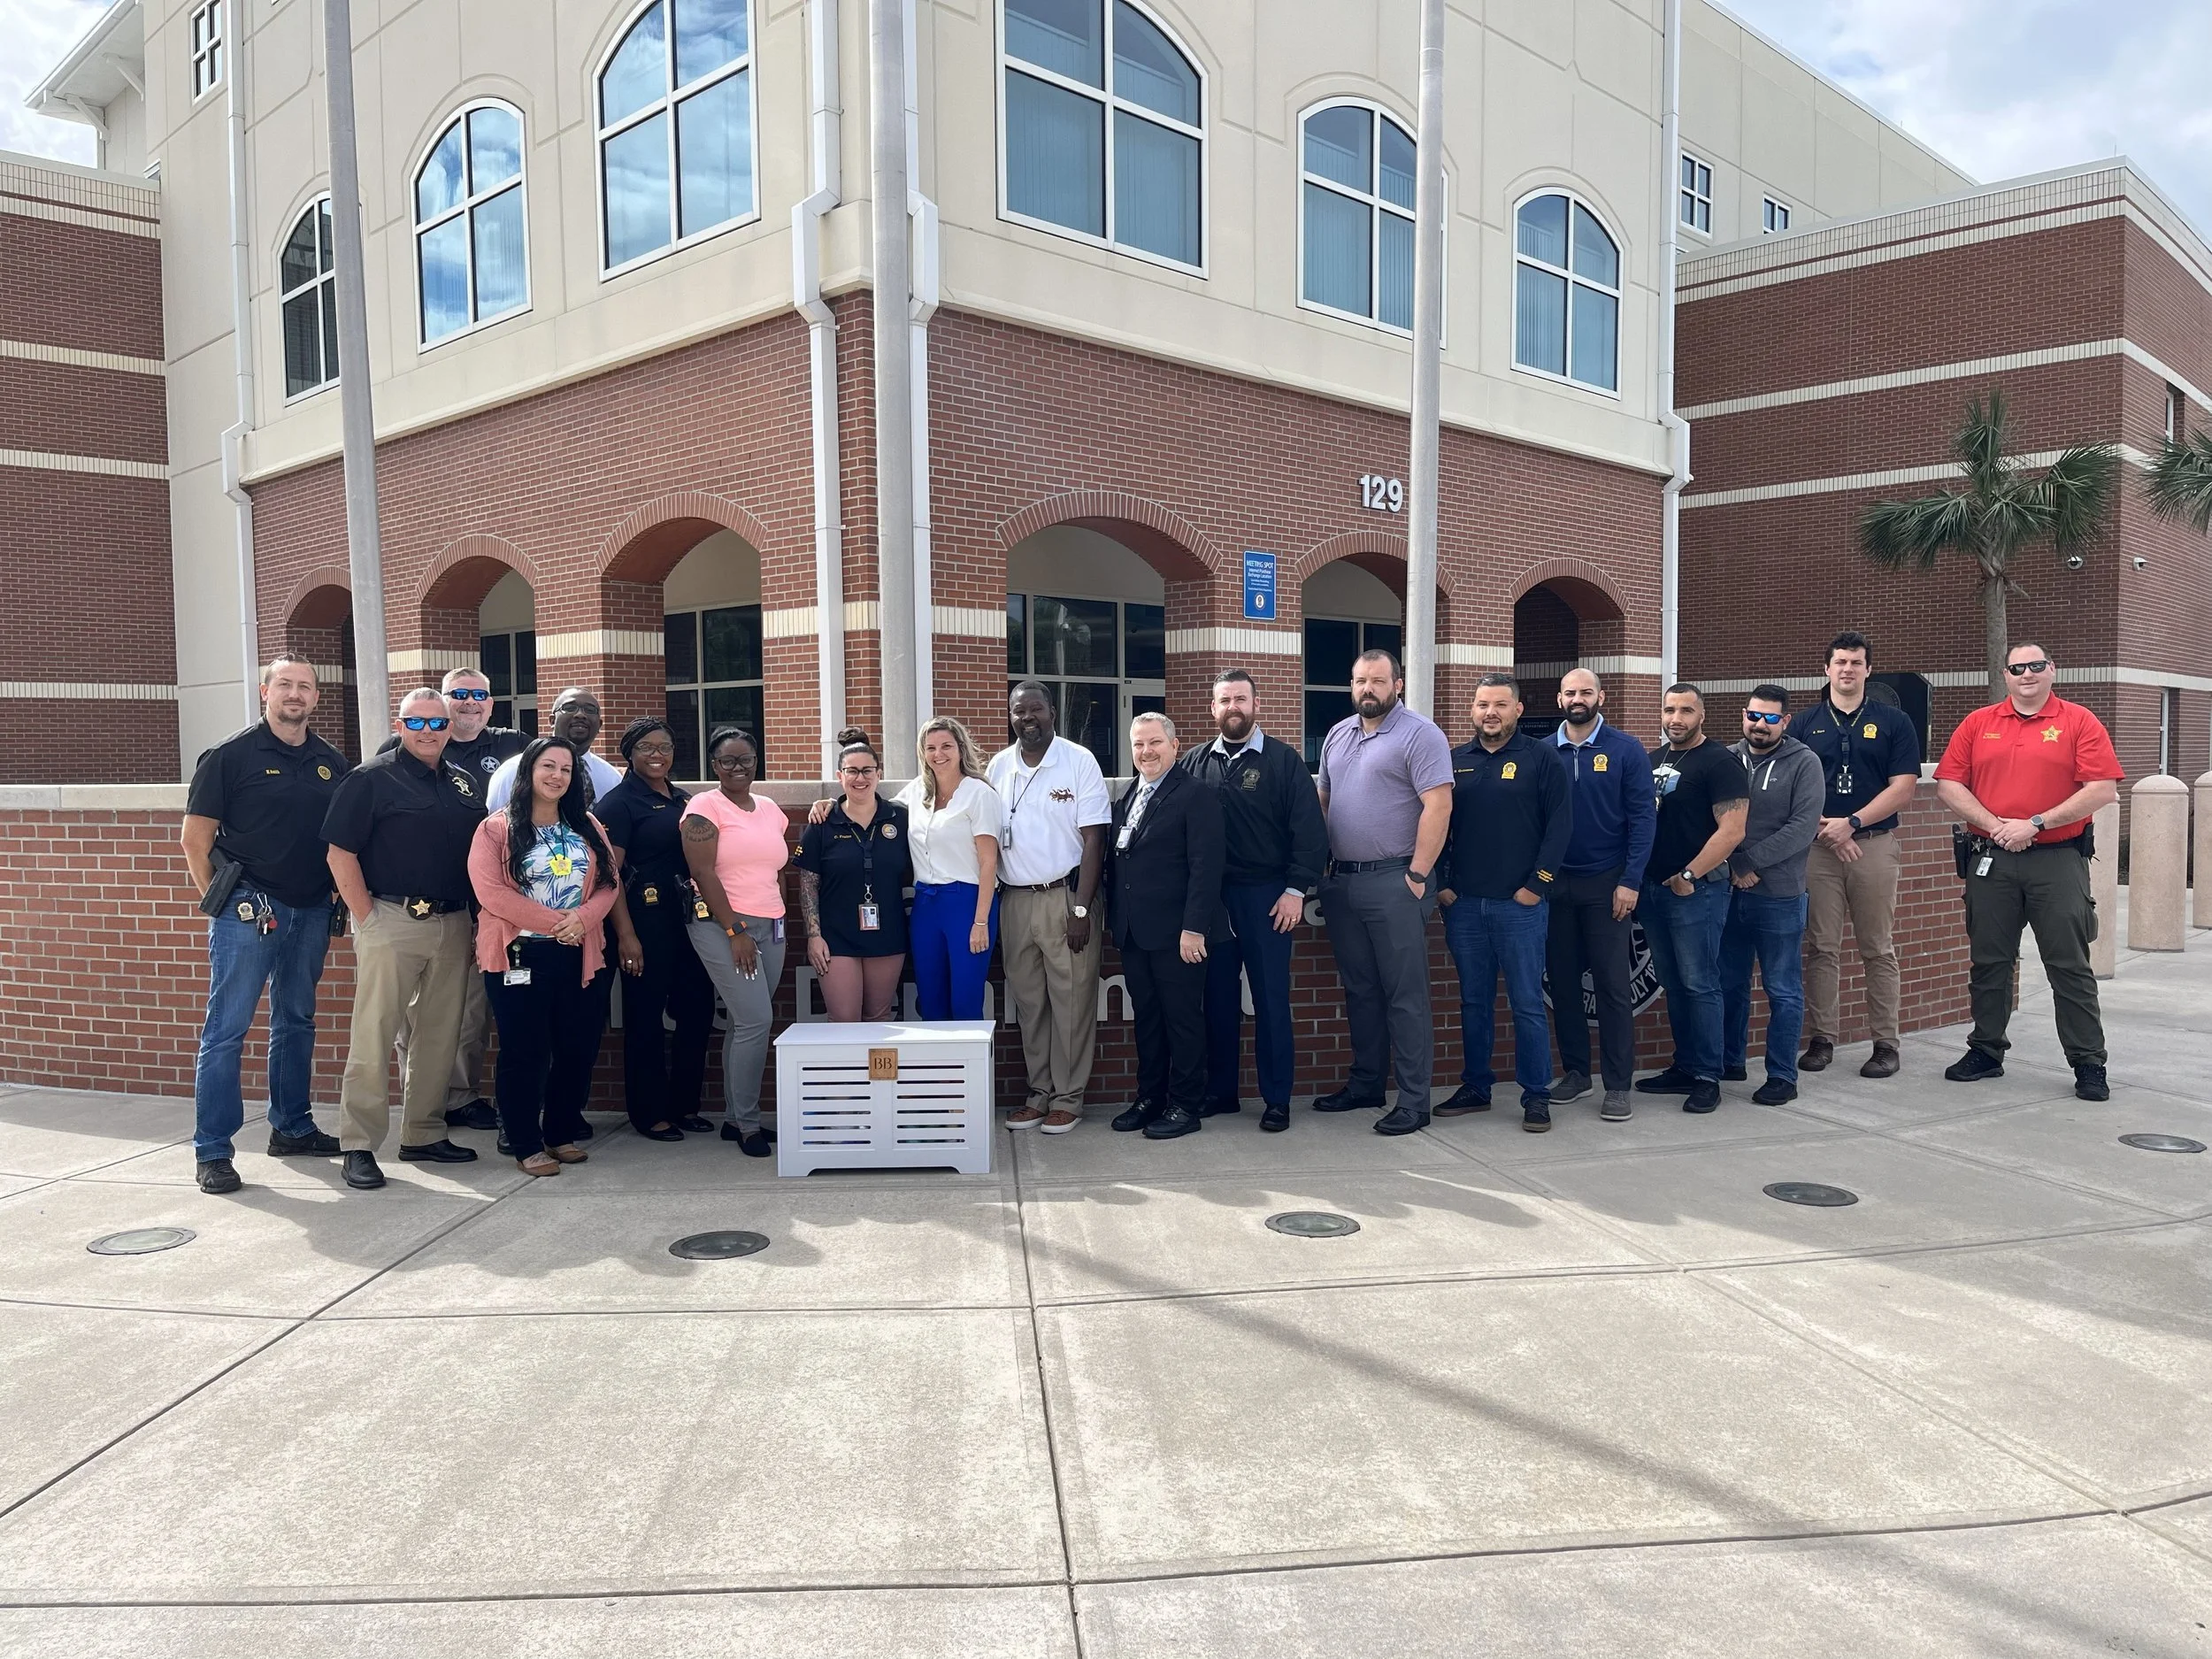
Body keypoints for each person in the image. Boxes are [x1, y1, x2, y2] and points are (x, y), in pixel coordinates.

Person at [180, 657, 351, 1194]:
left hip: (311, 911)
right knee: (227, 1030)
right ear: (265, 692)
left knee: (296, 1021)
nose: (295, 694)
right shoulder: (229, 756)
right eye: (285, 685)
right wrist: (225, 902)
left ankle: (293, 1127)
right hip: (249, 913)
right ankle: (212, 1151)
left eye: (305, 686)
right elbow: (194, 841)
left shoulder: (331, 762)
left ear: (316, 697)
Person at [1933, 644, 2123, 1101]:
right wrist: (1998, 826)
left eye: (2036, 666)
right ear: (2006, 674)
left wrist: (2035, 823)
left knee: (2069, 964)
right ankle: (1985, 1051)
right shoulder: (1978, 723)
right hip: (1992, 858)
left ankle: (2088, 1062)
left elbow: (2101, 788)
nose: (2027, 675)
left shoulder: (2079, 721)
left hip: (2056, 860)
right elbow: (1948, 783)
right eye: (2017, 668)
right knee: (1990, 961)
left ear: (2052, 670)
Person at [321, 688, 488, 1188]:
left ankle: (423, 1132)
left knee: (441, 1034)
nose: (429, 732)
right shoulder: (371, 778)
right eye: (417, 724)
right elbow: (339, 853)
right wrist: (367, 918)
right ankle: (358, 1144)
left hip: (454, 923)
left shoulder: (463, 784)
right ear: (400, 724)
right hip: (392, 919)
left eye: (437, 724)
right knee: (375, 1033)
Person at [1178, 669, 1327, 1133]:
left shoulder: (1284, 761)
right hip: (1212, 900)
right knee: (1217, 1000)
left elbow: (1311, 834)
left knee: (1270, 1000)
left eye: (1240, 699)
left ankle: (1277, 1099)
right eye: (1224, 701)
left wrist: (1295, 891)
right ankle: (1221, 1093)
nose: (1233, 708)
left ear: (1256, 705)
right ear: (1213, 709)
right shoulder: (1194, 762)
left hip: (1268, 898)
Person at [380, 666, 527, 1134]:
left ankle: (460, 1097)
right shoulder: (399, 751)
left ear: (491, 702)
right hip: (411, 900)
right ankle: (420, 1099)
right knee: (412, 1010)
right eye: (458, 695)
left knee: (469, 1006)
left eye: (479, 695)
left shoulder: (513, 747)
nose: (469, 703)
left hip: (481, 901)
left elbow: (562, 775)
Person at [1314, 649, 1455, 1135]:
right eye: (1359, 681)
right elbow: (1325, 801)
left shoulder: (1420, 734)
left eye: (1377, 680)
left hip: (1396, 882)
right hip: (1342, 882)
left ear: (1397, 684)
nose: (1367, 689)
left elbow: (1439, 806)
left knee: (1405, 996)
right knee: (1361, 991)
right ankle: (1367, 1083)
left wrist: (1417, 875)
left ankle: (1415, 1102)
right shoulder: (1338, 734)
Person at [468, 738, 621, 1176]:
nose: (557, 776)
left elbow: (609, 884)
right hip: (520, 956)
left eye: (566, 770)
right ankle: (525, 1142)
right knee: (526, 1051)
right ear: (529, 772)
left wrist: (584, 919)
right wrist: (558, 921)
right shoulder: (497, 828)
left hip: (578, 953)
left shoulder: (586, 824)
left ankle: (559, 1134)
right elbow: (491, 892)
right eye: (548, 767)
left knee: (576, 1048)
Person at [1435, 675, 1571, 1133]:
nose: (1489, 712)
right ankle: (1476, 1086)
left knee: (1527, 1003)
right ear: (1471, 711)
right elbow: (1439, 826)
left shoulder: (1541, 758)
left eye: (1499, 704)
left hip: (1521, 906)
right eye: (1481, 705)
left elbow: (1560, 827)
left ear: (1518, 709)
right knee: (1473, 1002)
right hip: (1466, 905)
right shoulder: (1455, 761)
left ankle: (1536, 1095)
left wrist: (1538, 884)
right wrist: (1443, 883)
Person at [1788, 632, 1923, 1079]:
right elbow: (1791, 791)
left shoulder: (1894, 722)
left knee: (1877, 948)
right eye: (1840, 662)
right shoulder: (1804, 724)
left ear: (1868, 670)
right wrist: (1830, 829)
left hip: (1873, 846)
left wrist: (1853, 824)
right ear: (1826, 670)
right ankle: (1822, 1039)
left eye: (1856, 662)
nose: (1847, 669)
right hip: (1817, 849)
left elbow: (1902, 788)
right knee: (1821, 947)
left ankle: (1885, 1043)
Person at [988, 682, 1111, 1133]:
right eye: (1019, 711)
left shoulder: (1078, 761)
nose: (1027, 718)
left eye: (1035, 709)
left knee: (1073, 1002)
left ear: (1052, 712)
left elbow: (1095, 838)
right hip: (1015, 900)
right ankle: (1039, 1093)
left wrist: (1081, 910)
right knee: (1030, 1004)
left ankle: (1069, 1098)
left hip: (1066, 898)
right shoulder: (999, 766)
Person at [595, 717, 716, 1141]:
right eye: (646, 747)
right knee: (645, 1019)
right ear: (629, 752)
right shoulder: (618, 804)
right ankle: (648, 1113)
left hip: (688, 922)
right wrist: (626, 936)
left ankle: (684, 1105)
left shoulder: (684, 799)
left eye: (664, 746)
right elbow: (608, 876)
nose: (657, 755)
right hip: (644, 925)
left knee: (696, 1012)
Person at [1107, 714, 1226, 1141]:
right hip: (1135, 933)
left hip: (1179, 935)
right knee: (1148, 1020)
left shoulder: (1196, 796)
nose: (1146, 752)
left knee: (1183, 1020)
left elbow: (1206, 868)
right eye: (1138, 745)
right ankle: (1149, 1098)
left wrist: (1194, 928)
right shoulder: (1126, 797)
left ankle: (1185, 1105)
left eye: (1155, 743)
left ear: (1175, 746)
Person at [1547, 669, 1655, 1122]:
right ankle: (1576, 1073)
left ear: (1600, 697)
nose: (1578, 699)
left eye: (1585, 692)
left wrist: (1630, 881)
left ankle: (1617, 1085)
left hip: (1607, 884)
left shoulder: (1626, 749)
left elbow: (1643, 821)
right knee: (1563, 984)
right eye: (1570, 692)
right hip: (1554, 884)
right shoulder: (1542, 753)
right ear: (1559, 699)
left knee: (1612, 986)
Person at [1635, 684, 1748, 1115]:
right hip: (1653, 891)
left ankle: (1707, 1076)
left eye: (1686, 710)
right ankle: (1685, 1066)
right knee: (1675, 983)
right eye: (1669, 709)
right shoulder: (1653, 760)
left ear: (1702, 715)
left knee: (1701, 983)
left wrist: (1689, 874)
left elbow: (1733, 830)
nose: (1675, 718)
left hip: (1696, 892)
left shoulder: (1721, 762)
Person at [680, 726, 787, 1156]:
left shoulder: (769, 808)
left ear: (756, 761)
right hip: (724, 926)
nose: (738, 767)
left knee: (747, 1023)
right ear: (714, 766)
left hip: (771, 924)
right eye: (728, 761)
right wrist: (735, 930)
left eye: (746, 759)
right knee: (756, 1021)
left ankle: (732, 1118)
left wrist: (778, 915)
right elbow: (704, 874)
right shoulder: (703, 807)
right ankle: (747, 1124)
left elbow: (778, 866)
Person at [1721, 687, 1824, 1105]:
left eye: (1769, 718)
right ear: (1743, 716)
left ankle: (1782, 1075)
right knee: (1729, 983)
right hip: (1727, 894)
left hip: (1779, 896)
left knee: (1782, 989)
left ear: (1785, 721)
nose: (1759, 725)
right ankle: (1728, 1061)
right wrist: (1731, 867)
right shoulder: (1725, 757)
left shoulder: (1805, 763)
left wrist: (1749, 863)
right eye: (1753, 716)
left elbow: (1802, 828)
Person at [798, 732, 913, 1021]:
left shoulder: (901, 818)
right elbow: (808, 884)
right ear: (840, 775)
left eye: (867, 771)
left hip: (888, 934)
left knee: (879, 1017)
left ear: (879, 774)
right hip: (836, 937)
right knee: (843, 1021)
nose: (860, 778)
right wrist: (814, 936)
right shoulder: (822, 822)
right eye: (852, 771)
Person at [896, 716, 1002, 1019]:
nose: (938, 754)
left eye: (946, 746)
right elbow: (873, 807)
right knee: (929, 1002)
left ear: (960, 749)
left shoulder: (979, 793)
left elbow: (988, 861)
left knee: (966, 1002)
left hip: (967, 904)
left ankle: (972, 1068)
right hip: (925, 906)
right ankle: (938, 1069)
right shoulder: (916, 791)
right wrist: (831, 802)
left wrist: (980, 922)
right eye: (930, 747)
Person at [487, 687, 621, 810]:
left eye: (590, 710)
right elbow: (495, 827)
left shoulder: (611, 777)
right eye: (570, 708)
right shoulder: (514, 769)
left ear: (600, 725)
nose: (580, 715)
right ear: (552, 721)